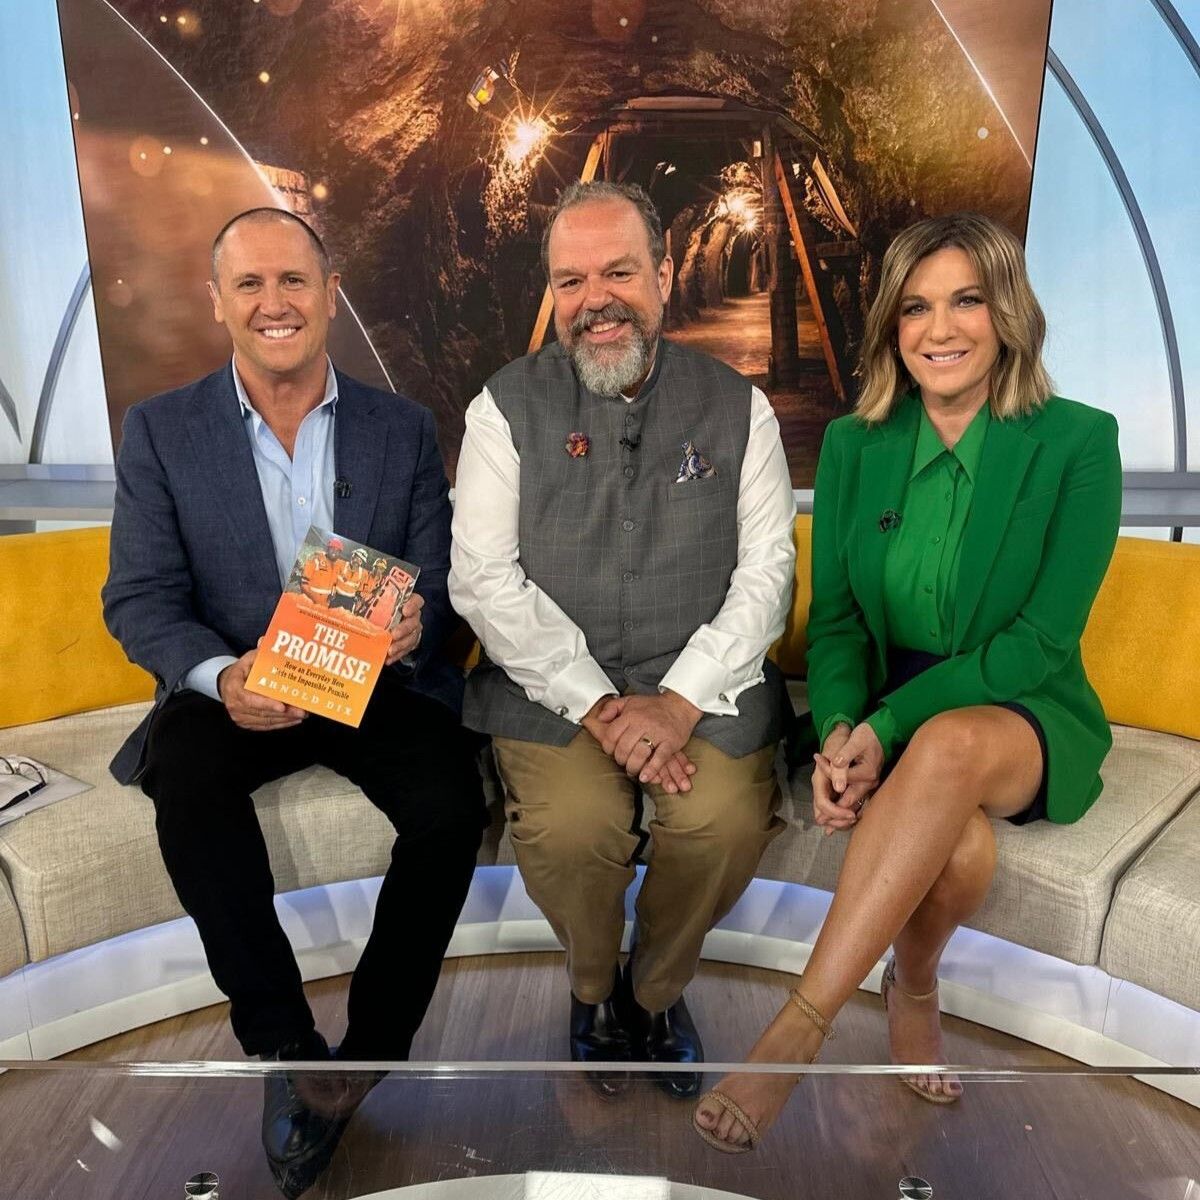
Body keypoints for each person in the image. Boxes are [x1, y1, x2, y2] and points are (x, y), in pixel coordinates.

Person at [692, 212, 1121, 1151]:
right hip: (887, 699)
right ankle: (914, 984)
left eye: (967, 301)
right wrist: (843, 725)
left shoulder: (1080, 442)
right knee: (958, 852)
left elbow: (1038, 643)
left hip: (1017, 703)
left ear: (1009, 314)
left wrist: (887, 729)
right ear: (892, 326)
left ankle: (796, 1031)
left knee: (950, 744)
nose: (940, 329)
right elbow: (839, 622)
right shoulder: (857, 444)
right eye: (916, 307)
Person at [103, 207, 484, 1197]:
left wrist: (418, 620)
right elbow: (138, 598)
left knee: (453, 806)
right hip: (237, 681)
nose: (274, 302)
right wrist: (220, 677)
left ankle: (370, 1050)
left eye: (293, 281)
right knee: (185, 782)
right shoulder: (161, 431)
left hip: (373, 682)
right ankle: (286, 1048)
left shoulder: (403, 426)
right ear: (217, 302)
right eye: (250, 284)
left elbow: (442, 578)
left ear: (329, 295)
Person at [449, 181, 796, 1099]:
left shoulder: (740, 408)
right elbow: (482, 580)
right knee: (573, 828)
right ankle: (593, 989)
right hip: (553, 693)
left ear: (665, 276)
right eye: (571, 281)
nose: (595, 300)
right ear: (552, 294)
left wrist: (677, 704)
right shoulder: (502, 409)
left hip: (706, 691)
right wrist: (603, 707)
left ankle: (654, 992)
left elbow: (768, 577)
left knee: (719, 820)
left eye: (619, 272)